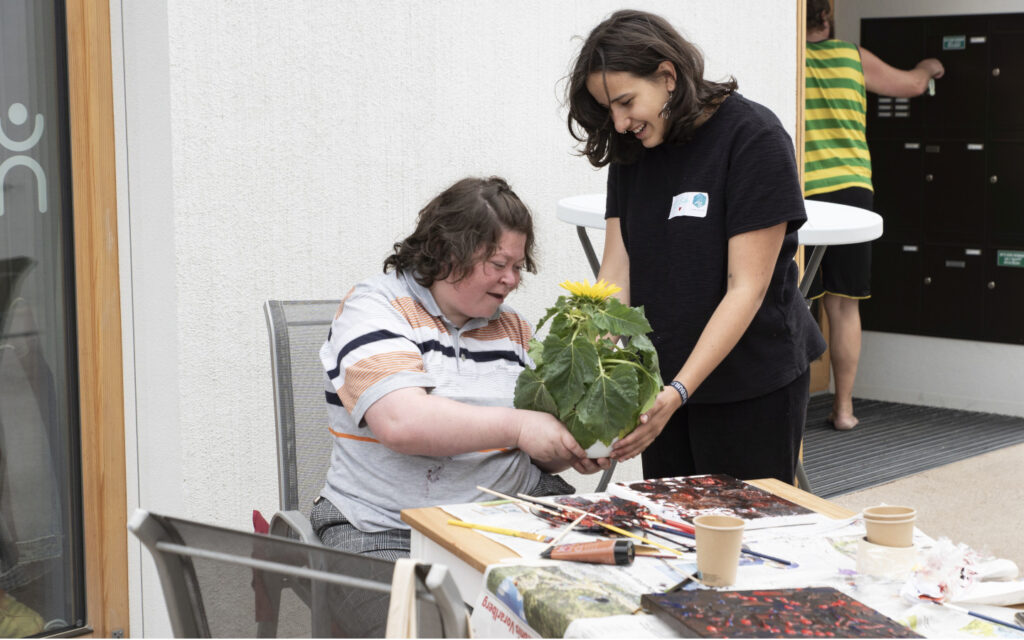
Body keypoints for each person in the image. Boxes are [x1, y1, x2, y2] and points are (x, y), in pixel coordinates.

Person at [565, 10, 826, 485]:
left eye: (626, 102)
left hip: (749, 383)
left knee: (744, 542)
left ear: (667, 76)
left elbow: (745, 288)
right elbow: (615, 273)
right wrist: (588, 372)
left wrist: (680, 389)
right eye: (609, 111)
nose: (621, 123)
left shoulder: (753, 138)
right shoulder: (632, 152)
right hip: (662, 388)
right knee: (674, 537)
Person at [314, 175, 595, 555]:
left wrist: (577, 447)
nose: (511, 280)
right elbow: (401, 423)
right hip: (389, 529)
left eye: (518, 266)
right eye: (499, 263)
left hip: (512, 520)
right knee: (427, 615)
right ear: (448, 252)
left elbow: (541, 454)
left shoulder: (513, 328)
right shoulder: (375, 306)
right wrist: (522, 426)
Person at [805, 0, 944, 431]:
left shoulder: (789, 59)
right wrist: (929, 66)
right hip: (850, 191)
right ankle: (843, 410)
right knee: (844, 306)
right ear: (827, 15)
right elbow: (912, 86)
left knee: (792, 301)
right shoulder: (852, 56)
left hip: (801, 190)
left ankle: (789, 411)